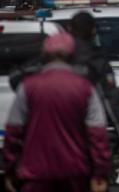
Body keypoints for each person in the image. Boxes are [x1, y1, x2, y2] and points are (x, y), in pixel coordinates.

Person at [3, 32, 111, 192]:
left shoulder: (28, 86)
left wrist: (9, 167)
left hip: (35, 174)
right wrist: (100, 172)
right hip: (75, 174)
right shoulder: (85, 87)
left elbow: (13, 132)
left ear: (44, 55)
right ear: (72, 56)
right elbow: (98, 134)